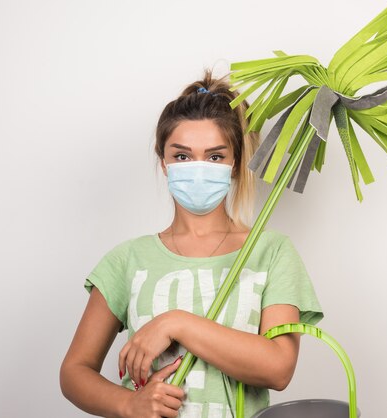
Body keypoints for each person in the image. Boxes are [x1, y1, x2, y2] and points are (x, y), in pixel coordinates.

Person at [59, 69, 323, 418]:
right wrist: (128, 403)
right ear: (164, 162)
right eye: (182, 156)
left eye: (215, 156)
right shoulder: (128, 259)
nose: (197, 169)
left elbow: (277, 368)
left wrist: (176, 323)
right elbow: (74, 372)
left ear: (235, 163)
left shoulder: (271, 252)